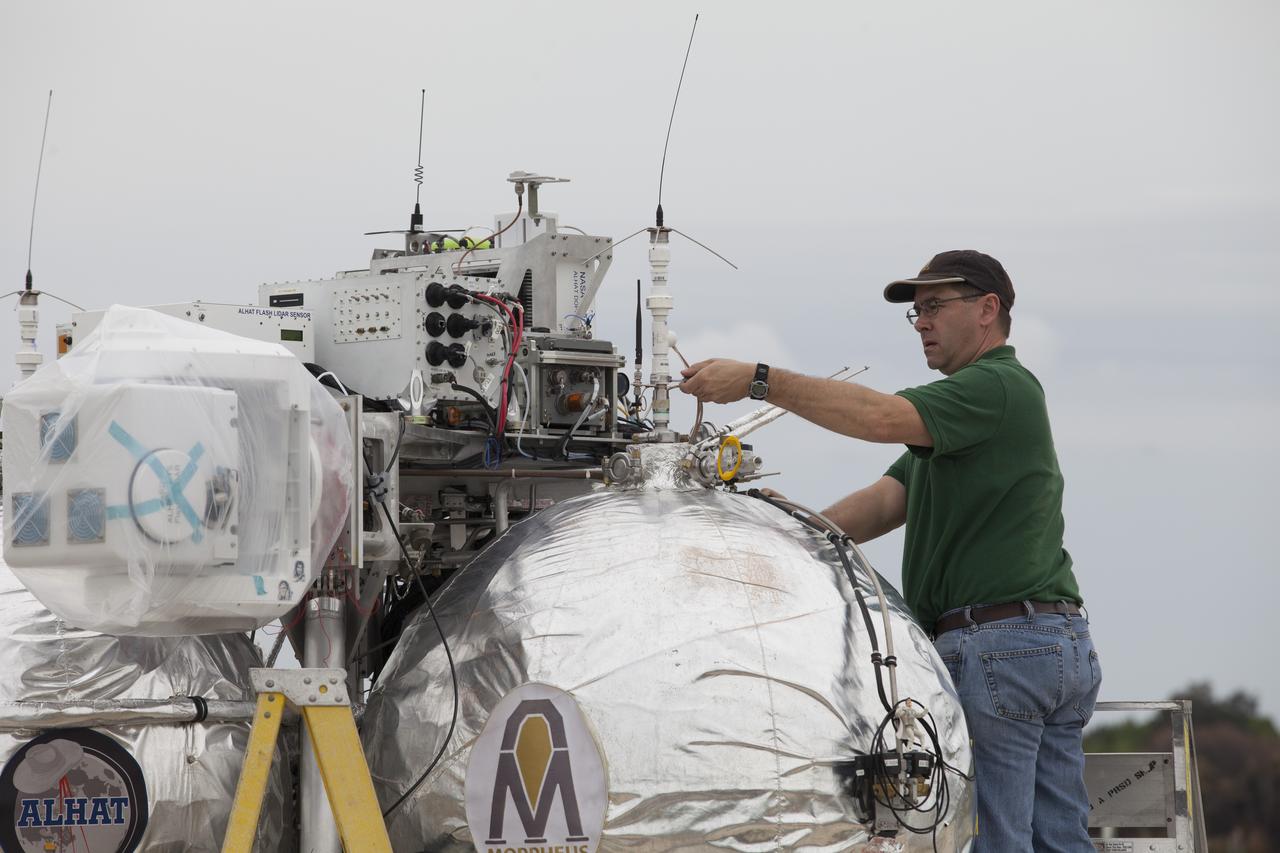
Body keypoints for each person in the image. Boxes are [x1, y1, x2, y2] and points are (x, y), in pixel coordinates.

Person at [677, 249, 1101, 852]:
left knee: (994, 840)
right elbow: (885, 500)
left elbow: (880, 417)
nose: (922, 322)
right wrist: (787, 527)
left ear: (988, 310)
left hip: (1000, 646)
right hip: (1050, 642)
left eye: (934, 307)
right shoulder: (963, 422)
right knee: (1059, 839)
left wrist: (759, 380)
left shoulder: (994, 386)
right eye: (917, 312)